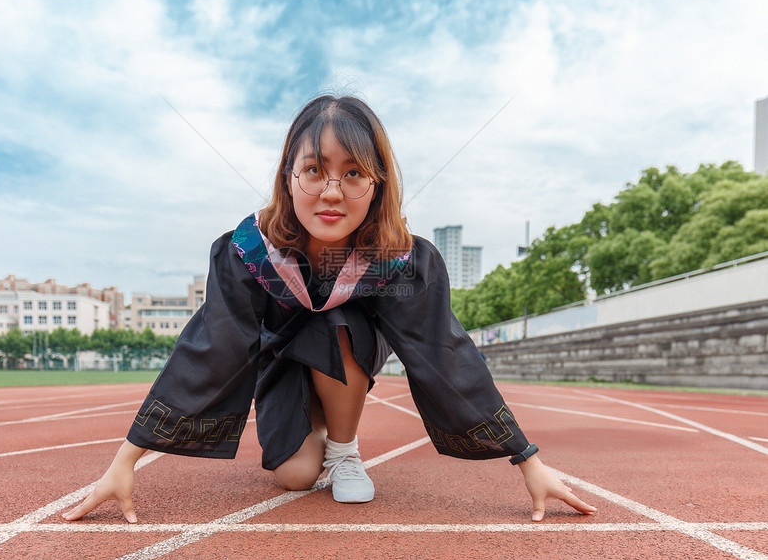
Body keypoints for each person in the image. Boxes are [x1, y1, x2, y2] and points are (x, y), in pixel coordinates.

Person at [63, 95, 596, 524]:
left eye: (354, 173)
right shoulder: (249, 251)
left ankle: (345, 449)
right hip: (282, 359)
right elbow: (216, 343)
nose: (331, 192)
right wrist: (127, 458)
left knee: (335, 321)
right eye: (314, 170)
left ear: (377, 182)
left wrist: (526, 457)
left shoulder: (399, 258)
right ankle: (315, 424)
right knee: (295, 475)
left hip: (350, 350)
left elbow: (441, 350)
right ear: (288, 176)